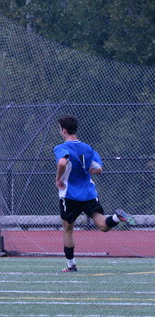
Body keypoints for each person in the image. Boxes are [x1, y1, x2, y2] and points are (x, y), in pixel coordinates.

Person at [54, 115, 136, 272]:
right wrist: (85, 170)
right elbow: (98, 169)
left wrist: (58, 179)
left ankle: (71, 265)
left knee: (68, 229)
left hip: (70, 195)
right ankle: (117, 217)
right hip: (89, 193)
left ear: (64, 131)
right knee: (103, 225)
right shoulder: (88, 148)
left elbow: (62, 162)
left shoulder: (61, 147)